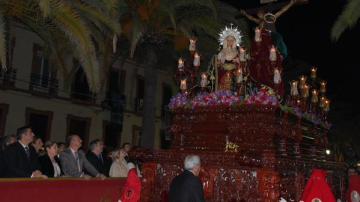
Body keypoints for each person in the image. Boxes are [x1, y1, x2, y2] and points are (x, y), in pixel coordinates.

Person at [216, 27, 242, 91]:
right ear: (225, 41)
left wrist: (238, 61)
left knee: (234, 85)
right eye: (228, 40)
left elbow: (240, 64)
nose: (230, 42)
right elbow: (218, 64)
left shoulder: (237, 52)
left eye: (232, 40)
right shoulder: (222, 51)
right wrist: (221, 62)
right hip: (224, 72)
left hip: (233, 73)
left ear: (234, 42)